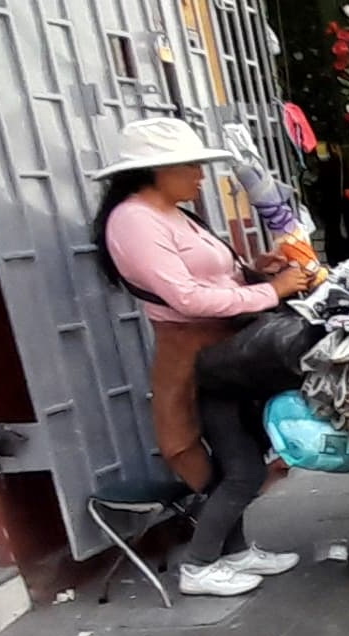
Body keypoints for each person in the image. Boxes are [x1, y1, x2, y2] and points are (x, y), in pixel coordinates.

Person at [91, 117, 313, 597]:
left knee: (241, 460)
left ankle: (234, 551)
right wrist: (272, 292)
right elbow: (187, 298)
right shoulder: (134, 221)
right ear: (155, 170)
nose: (199, 176)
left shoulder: (174, 213)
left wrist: (256, 271)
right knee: (240, 467)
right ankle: (198, 565)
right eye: (190, 166)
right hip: (199, 358)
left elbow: (210, 279)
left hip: (227, 352)